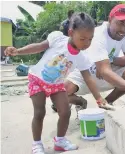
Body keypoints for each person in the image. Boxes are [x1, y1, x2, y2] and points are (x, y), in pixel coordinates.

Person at [4, 12, 112, 154]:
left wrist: (99, 98)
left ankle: (60, 141)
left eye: (90, 39)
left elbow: (88, 78)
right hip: (38, 80)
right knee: (40, 112)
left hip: (56, 84)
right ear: (71, 32)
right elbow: (38, 47)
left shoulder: (82, 57)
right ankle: (37, 144)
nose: (87, 43)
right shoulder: (57, 39)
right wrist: (18, 51)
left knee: (65, 111)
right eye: (83, 39)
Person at [51, 4, 125, 112]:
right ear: (110, 19)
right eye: (120, 23)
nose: (124, 29)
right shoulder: (98, 34)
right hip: (85, 74)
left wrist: (110, 60)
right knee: (58, 95)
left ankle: (106, 103)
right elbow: (105, 71)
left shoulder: (124, 35)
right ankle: (80, 102)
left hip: (107, 72)